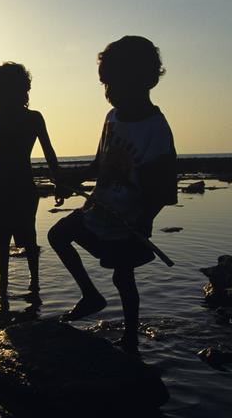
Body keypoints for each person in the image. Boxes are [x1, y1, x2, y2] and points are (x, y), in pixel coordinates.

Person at [48, 36, 177, 355]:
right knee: (58, 235)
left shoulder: (156, 130)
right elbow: (99, 163)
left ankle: (131, 338)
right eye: (105, 85)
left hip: (128, 222)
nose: (110, 93)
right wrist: (71, 180)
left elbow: (162, 189)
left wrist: (145, 220)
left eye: (116, 84)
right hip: (97, 211)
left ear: (146, 80)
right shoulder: (112, 119)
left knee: (124, 277)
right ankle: (91, 295)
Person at [0, 62, 60, 298]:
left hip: (12, 185)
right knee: (20, 236)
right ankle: (26, 284)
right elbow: (50, 154)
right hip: (15, 184)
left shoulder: (11, 117)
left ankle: (15, 286)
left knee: (13, 237)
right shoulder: (29, 118)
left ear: (12, 91)